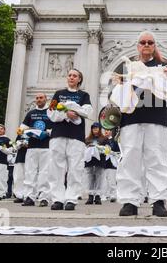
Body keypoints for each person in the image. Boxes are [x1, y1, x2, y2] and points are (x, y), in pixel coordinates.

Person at [113, 30, 167, 217]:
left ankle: (158, 200)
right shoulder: (127, 67)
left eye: (150, 42)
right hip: (131, 119)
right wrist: (126, 84)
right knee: (130, 158)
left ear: (154, 46)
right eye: (143, 42)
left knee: (157, 158)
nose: (146, 45)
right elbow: (118, 95)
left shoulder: (165, 68)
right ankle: (130, 201)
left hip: (156, 117)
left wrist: (144, 80)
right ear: (138, 46)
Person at [47, 69, 93, 211]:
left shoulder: (84, 95)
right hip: (58, 134)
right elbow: (51, 113)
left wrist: (75, 111)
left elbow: (87, 111)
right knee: (56, 167)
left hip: (76, 136)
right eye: (70, 75)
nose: (71, 77)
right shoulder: (59, 94)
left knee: (75, 168)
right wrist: (66, 114)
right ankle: (57, 199)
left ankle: (71, 199)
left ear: (79, 79)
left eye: (75, 76)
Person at [19, 93, 52, 207]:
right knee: (30, 172)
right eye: (37, 98)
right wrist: (25, 130)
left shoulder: (50, 112)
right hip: (32, 146)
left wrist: (47, 132)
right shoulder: (31, 113)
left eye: (41, 98)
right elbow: (22, 127)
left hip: (46, 146)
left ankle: (44, 197)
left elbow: (56, 128)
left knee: (45, 173)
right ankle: (29, 197)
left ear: (45, 99)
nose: (38, 100)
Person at [84, 122, 107, 205]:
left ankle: (97, 196)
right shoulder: (87, 139)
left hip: (99, 161)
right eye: (93, 128)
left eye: (97, 128)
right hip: (89, 161)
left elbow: (107, 150)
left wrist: (100, 148)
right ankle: (90, 196)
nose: (95, 130)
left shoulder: (104, 139)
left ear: (100, 129)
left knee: (99, 178)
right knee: (90, 178)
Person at [103, 129, 120, 203]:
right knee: (104, 180)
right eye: (105, 130)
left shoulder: (114, 141)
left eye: (108, 130)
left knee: (112, 180)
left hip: (112, 163)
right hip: (104, 163)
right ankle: (106, 194)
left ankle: (113, 195)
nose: (106, 132)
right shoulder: (103, 141)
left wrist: (112, 152)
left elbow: (118, 152)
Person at [12, 134, 27, 203]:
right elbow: (14, 146)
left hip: (30, 157)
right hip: (20, 158)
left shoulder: (32, 132)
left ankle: (27, 195)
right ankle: (19, 195)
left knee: (28, 178)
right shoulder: (20, 134)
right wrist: (20, 144)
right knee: (18, 177)